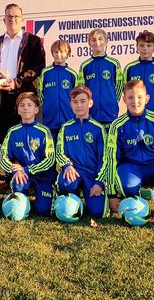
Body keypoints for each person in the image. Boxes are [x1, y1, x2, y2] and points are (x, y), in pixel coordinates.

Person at [104, 80, 154, 223]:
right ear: (124, 100)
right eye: (130, 97)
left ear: (147, 99)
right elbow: (111, 159)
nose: (135, 101)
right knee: (127, 183)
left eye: (140, 97)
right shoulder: (117, 126)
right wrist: (112, 195)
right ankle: (139, 204)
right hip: (132, 169)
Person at [0, 4, 45, 143]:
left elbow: (38, 66)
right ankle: (9, 165)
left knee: (27, 136)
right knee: (5, 138)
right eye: (9, 16)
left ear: (22, 19)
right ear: (4, 20)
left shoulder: (33, 41)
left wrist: (16, 82)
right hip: (1, 97)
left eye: (16, 16)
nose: (13, 19)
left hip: (24, 96)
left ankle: (27, 165)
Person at [0, 92, 55, 216]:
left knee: (43, 211)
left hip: (43, 176)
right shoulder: (12, 131)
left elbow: (50, 159)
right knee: (18, 187)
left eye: (29, 105)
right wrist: (16, 170)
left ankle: (48, 194)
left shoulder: (44, 131)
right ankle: (21, 198)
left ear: (36, 109)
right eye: (22, 105)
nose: (25, 108)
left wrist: (27, 169)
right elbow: (2, 158)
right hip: (22, 175)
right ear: (18, 110)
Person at [56, 86, 108, 220]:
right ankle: (72, 197)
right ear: (70, 104)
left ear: (90, 103)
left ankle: (89, 194)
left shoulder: (98, 129)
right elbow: (59, 152)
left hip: (92, 174)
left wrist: (99, 183)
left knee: (97, 212)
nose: (79, 105)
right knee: (66, 183)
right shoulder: (65, 128)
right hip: (74, 171)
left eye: (82, 101)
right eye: (75, 101)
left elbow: (105, 158)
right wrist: (67, 166)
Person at [77, 28, 123, 127]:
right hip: (91, 113)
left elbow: (119, 85)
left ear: (106, 41)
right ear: (89, 43)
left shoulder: (114, 63)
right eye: (93, 40)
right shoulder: (85, 65)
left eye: (100, 39)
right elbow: (81, 89)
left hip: (110, 112)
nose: (97, 42)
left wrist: (112, 101)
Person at [124, 30, 154, 115]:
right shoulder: (130, 68)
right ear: (137, 47)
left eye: (149, 45)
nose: (145, 48)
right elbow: (125, 89)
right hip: (135, 113)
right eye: (141, 45)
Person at [37, 39, 77, 140]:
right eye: (56, 52)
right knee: (51, 148)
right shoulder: (45, 73)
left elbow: (77, 96)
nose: (59, 54)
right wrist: (46, 105)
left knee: (67, 148)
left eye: (62, 52)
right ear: (52, 53)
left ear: (67, 54)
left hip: (68, 117)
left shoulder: (72, 74)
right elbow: (40, 91)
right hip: (50, 118)